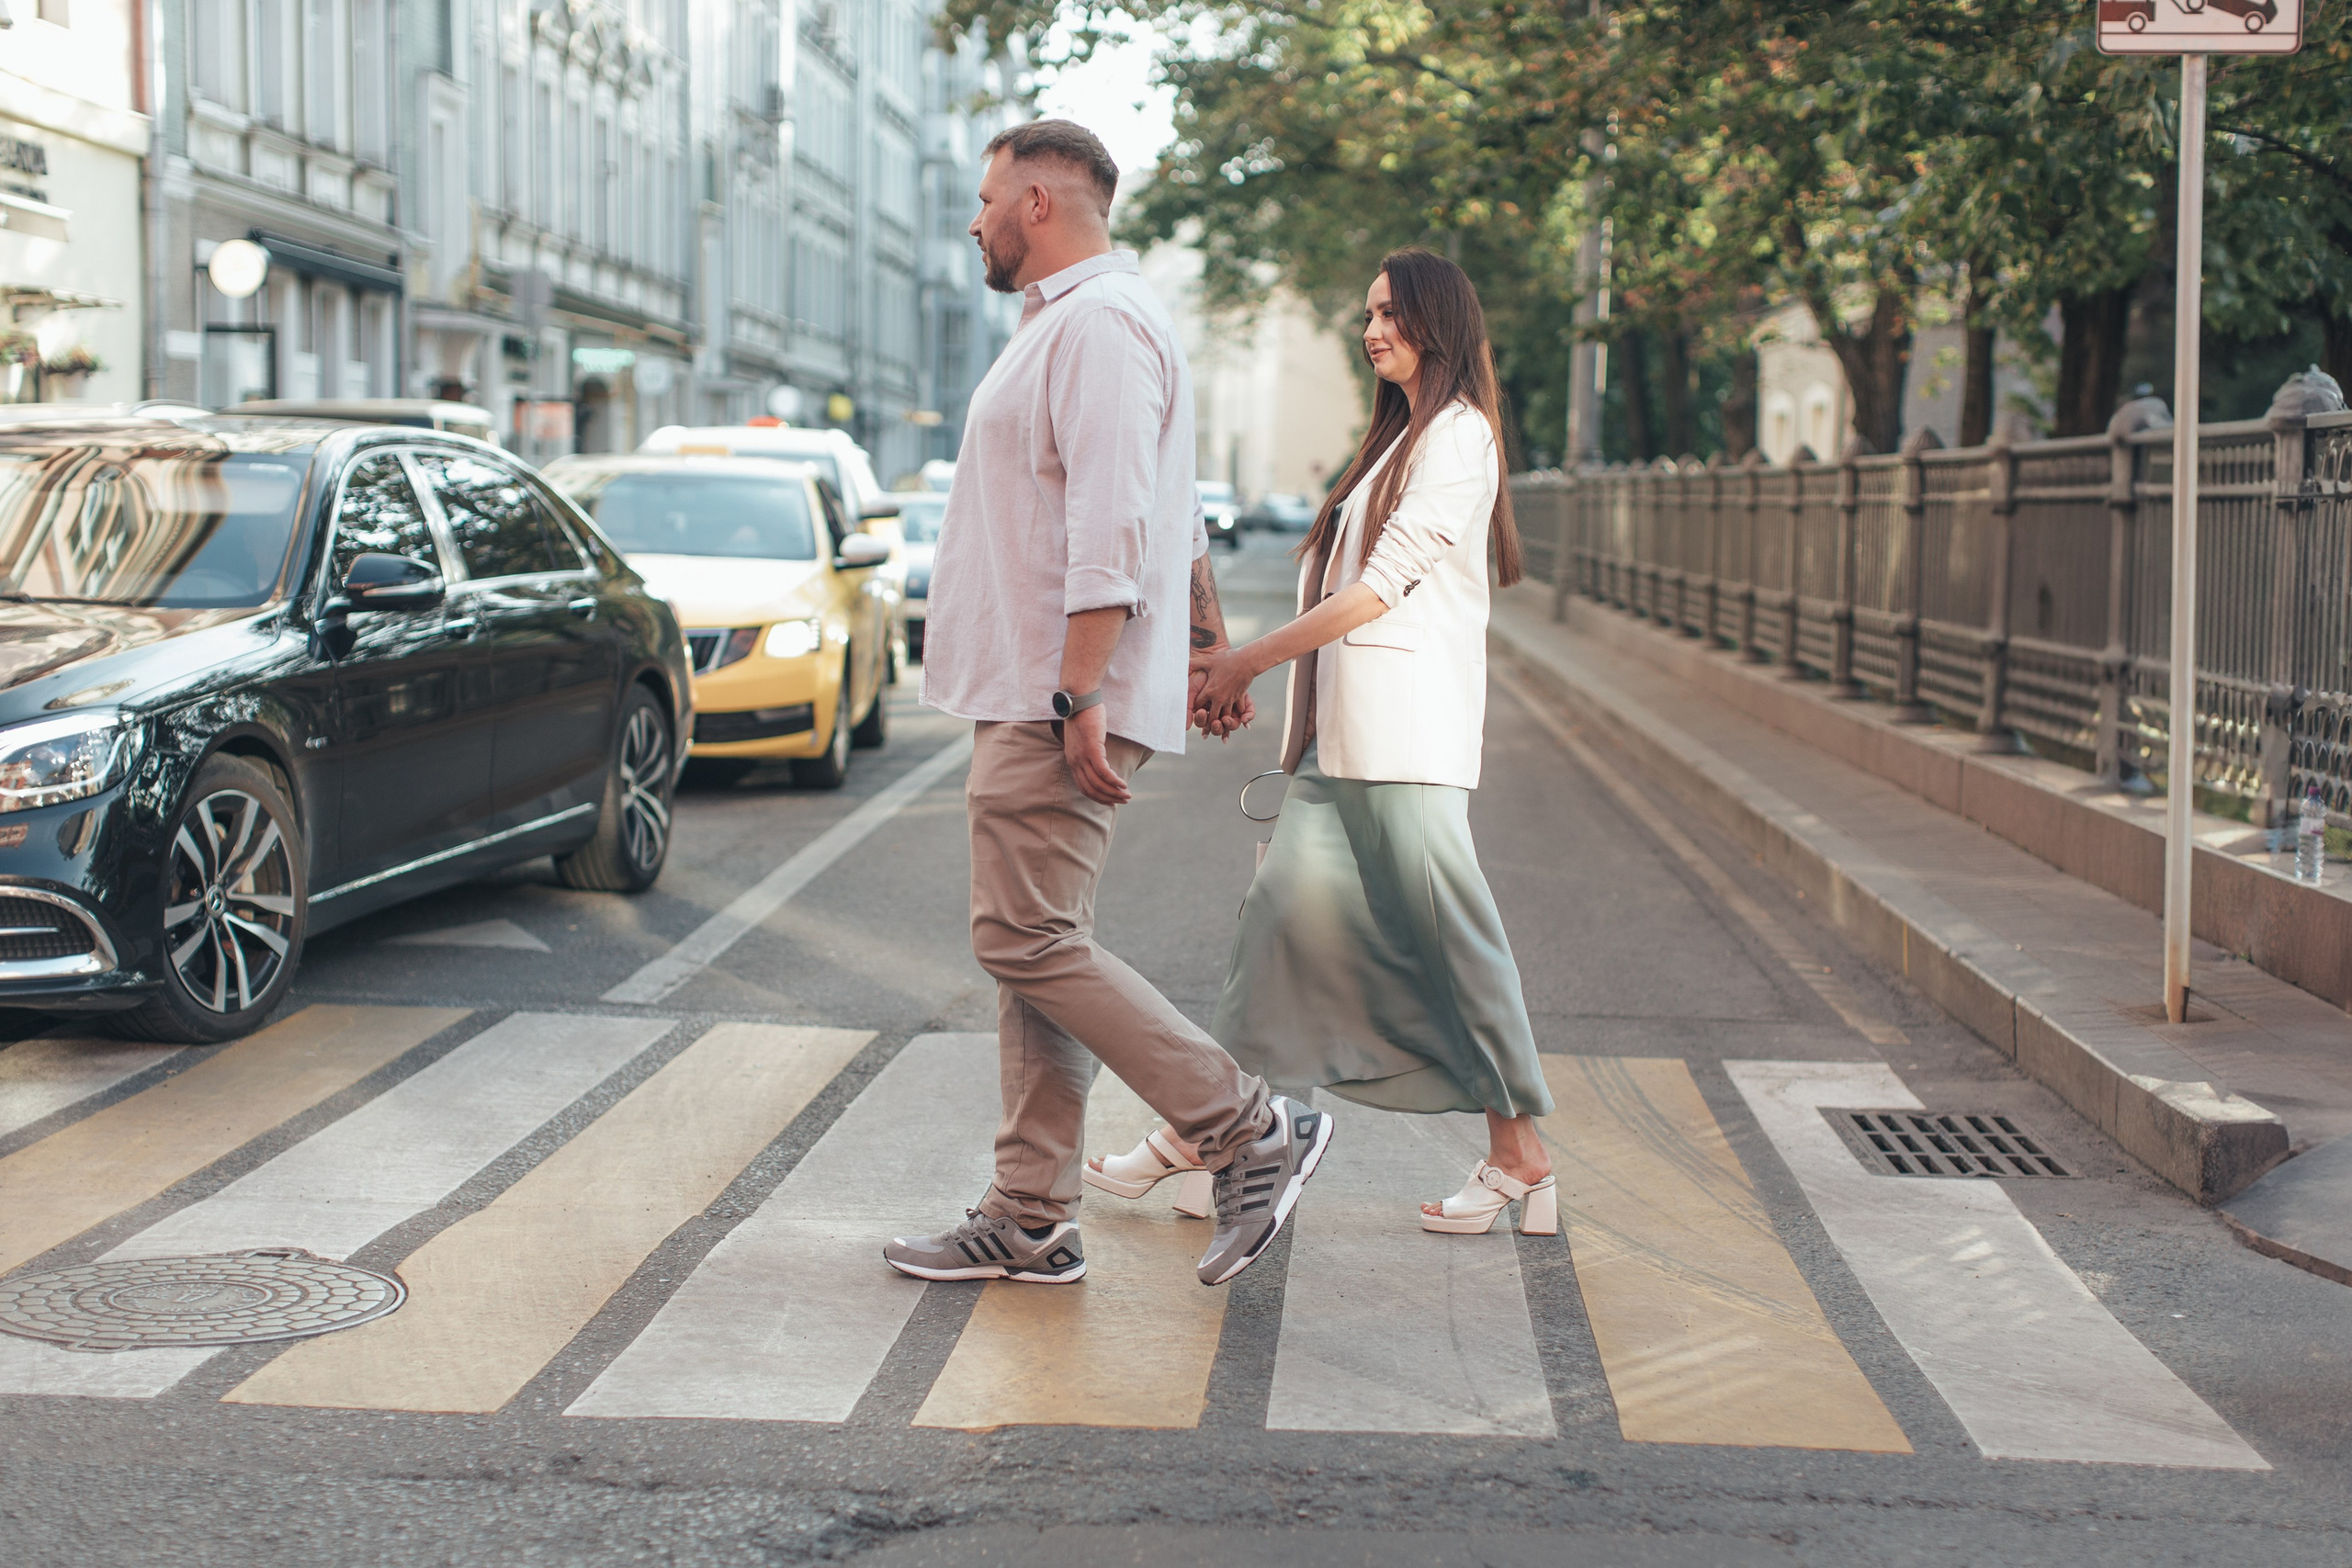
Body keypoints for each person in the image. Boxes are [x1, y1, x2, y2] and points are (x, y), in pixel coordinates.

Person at [888, 118, 1335, 1290]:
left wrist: (1082, 687)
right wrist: (1203, 645)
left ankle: (1243, 1128)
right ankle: (1030, 1214)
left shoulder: (1096, 325)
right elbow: (1172, 511)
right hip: (1048, 683)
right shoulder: (1076, 325)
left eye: (986, 199)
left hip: (1055, 687)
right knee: (1042, 948)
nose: (974, 222)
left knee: (1020, 937)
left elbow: (1113, 521)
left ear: (1039, 201)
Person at [1086, 247, 1557, 1237]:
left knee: (1453, 949)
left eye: (1390, 314)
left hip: (1402, 748)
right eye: (1367, 315)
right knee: (1275, 948)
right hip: (1343, 749)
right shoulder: (1399, 442)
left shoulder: (1459, 439)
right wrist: (1275, 702)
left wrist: (1244, 661)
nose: (1371, 330)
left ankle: (1521, 1158)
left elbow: (1378, 592)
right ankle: (1208, 1138)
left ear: (1440, 321)